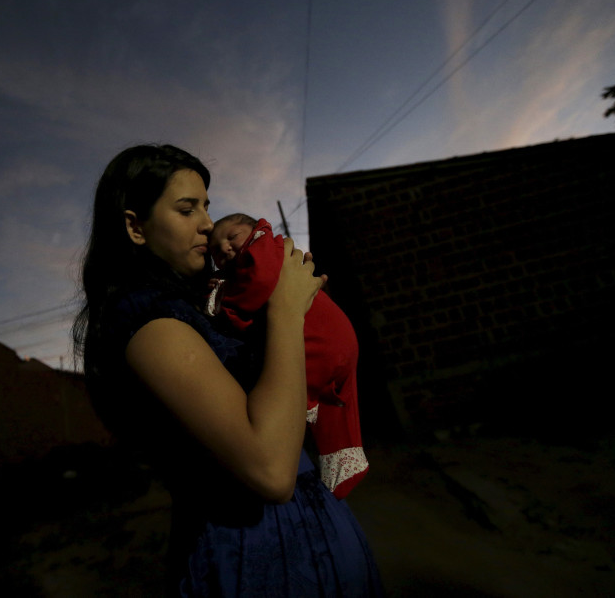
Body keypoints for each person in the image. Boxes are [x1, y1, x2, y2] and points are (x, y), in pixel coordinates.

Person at [72, 144, 383, 596]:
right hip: (258, 557)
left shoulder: (196, 309)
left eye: (206, 206)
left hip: (315, 534)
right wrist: (286, 313)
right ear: (135, 227)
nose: (205, 223)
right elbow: (271, 470)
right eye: (185, 209)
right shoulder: (149, 323)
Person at [207, 213, 368, 500]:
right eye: (216, 252)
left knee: (296, 404)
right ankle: (344, 470)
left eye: (232, 237)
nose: (226, 250)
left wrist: (223, 296)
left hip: (320, 342)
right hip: (332, 343)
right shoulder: (248, 265)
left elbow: (260, 286)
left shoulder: (264, 249)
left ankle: (318, 444)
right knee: (339, 417)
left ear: (255, 229)